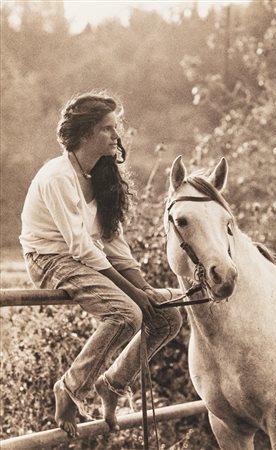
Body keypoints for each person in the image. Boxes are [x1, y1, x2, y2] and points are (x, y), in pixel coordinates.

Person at [19, 91, 182, 438]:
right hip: (48, 258)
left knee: (168, 314)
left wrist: (146, 288)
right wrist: (135, 295)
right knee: (127, 314)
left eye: (115, 127)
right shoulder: (58, 176)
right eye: (107, 128)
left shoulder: (102, 174)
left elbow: (113, 242)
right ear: (86, 134)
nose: (115, 135)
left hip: (80, 258)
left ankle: (113, 384)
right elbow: (80, 246)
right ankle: (70, 387)